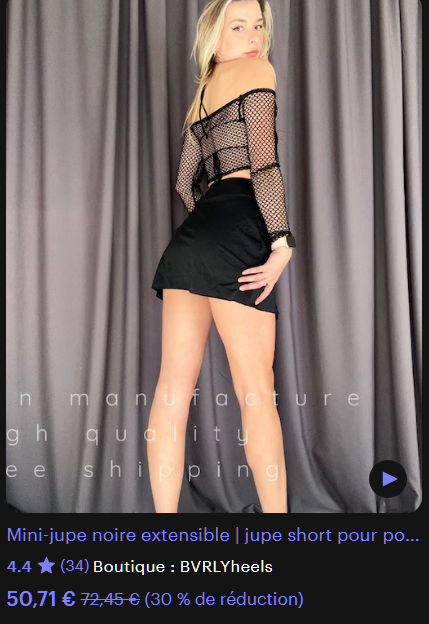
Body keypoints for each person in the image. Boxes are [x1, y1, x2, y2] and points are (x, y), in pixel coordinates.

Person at [149, 0, 296, 513]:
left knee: (171, 393)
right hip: (238, 230)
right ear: (215, 33)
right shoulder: (258, 72)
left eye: (258, 26)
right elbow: (265, 166)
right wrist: (281, 242)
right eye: (239, 26)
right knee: (257, 394)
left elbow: (183, 182)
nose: (253, 37)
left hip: (191, 241)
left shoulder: (203, 95)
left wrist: (208, 227)